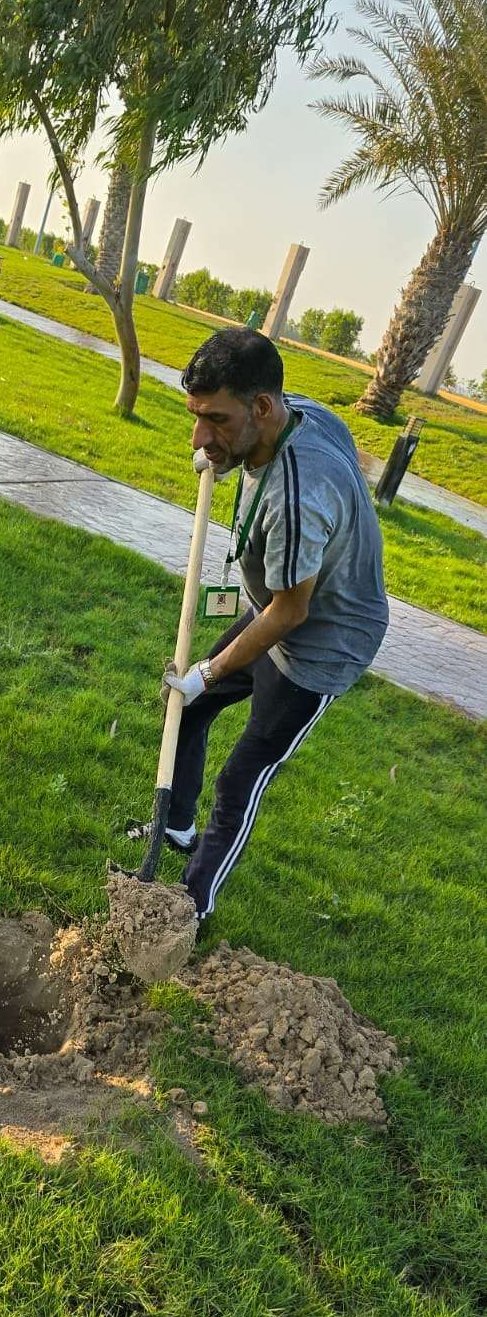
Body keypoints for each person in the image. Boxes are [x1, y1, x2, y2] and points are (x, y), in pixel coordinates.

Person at [133, 328, 389, 923]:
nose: (200, 436)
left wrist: (211, 668)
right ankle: (173, 829)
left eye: (215, 420)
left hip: (319, 645)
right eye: (196, 417)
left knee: (240, 778)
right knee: (188, 711)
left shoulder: (301, 495)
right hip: (271, 604)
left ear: (262, 408)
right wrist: (226, 450)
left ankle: (189, 909)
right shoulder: (300, 414)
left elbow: (291, 611)